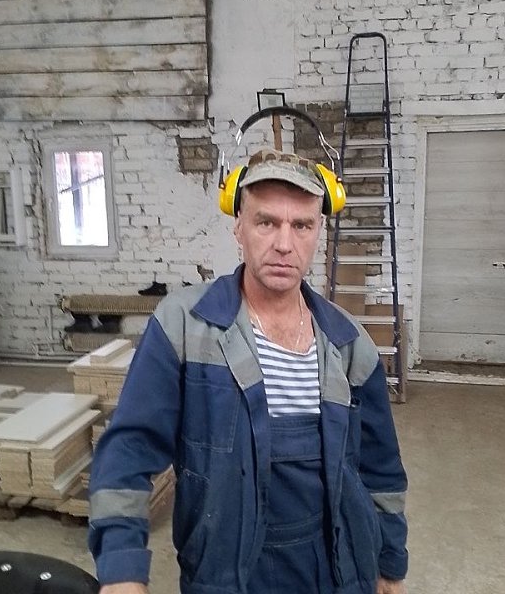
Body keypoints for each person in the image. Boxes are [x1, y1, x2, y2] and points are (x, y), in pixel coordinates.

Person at [88, 148, 408, 594]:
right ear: (238, 226)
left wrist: (390, 563)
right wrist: (121, 568)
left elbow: (381, 468)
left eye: (302, 225)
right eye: (266, 222)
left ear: (319, 232)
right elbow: (128, 449)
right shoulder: (185, 326)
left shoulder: (349, 343)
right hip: (227, 573)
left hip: (337, 568)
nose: (284, 244)